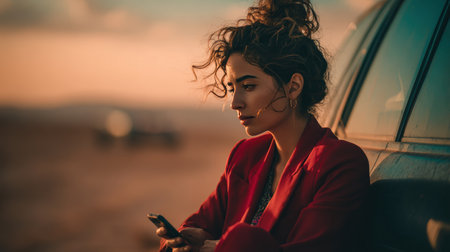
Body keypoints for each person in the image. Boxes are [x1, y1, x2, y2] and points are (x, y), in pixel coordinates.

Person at [156, 0, 369, 251]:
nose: (234, 103)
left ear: (293, 87)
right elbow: (201, 221)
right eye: (231, 88)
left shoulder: (339, 163)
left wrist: (221, 247)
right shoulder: (245, 155)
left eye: (248, 87)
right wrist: (193, 236)